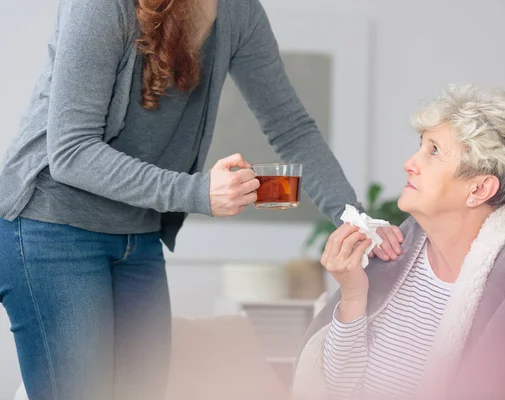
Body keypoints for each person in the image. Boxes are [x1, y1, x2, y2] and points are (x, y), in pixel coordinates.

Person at [0, 0, 404, 399]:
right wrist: (197, 193)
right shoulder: (102, 7)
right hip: (50, 226)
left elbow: (292, 127)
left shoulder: (239, 12)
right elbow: (71, 152)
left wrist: (357, 219)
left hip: (137, 233)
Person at [292, 84, 505, 400]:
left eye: (434, 151)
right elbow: (337, 390)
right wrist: (353, 293)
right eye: (421, 146)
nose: (410, 163)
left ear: (479, 189)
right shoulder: (392, 255)